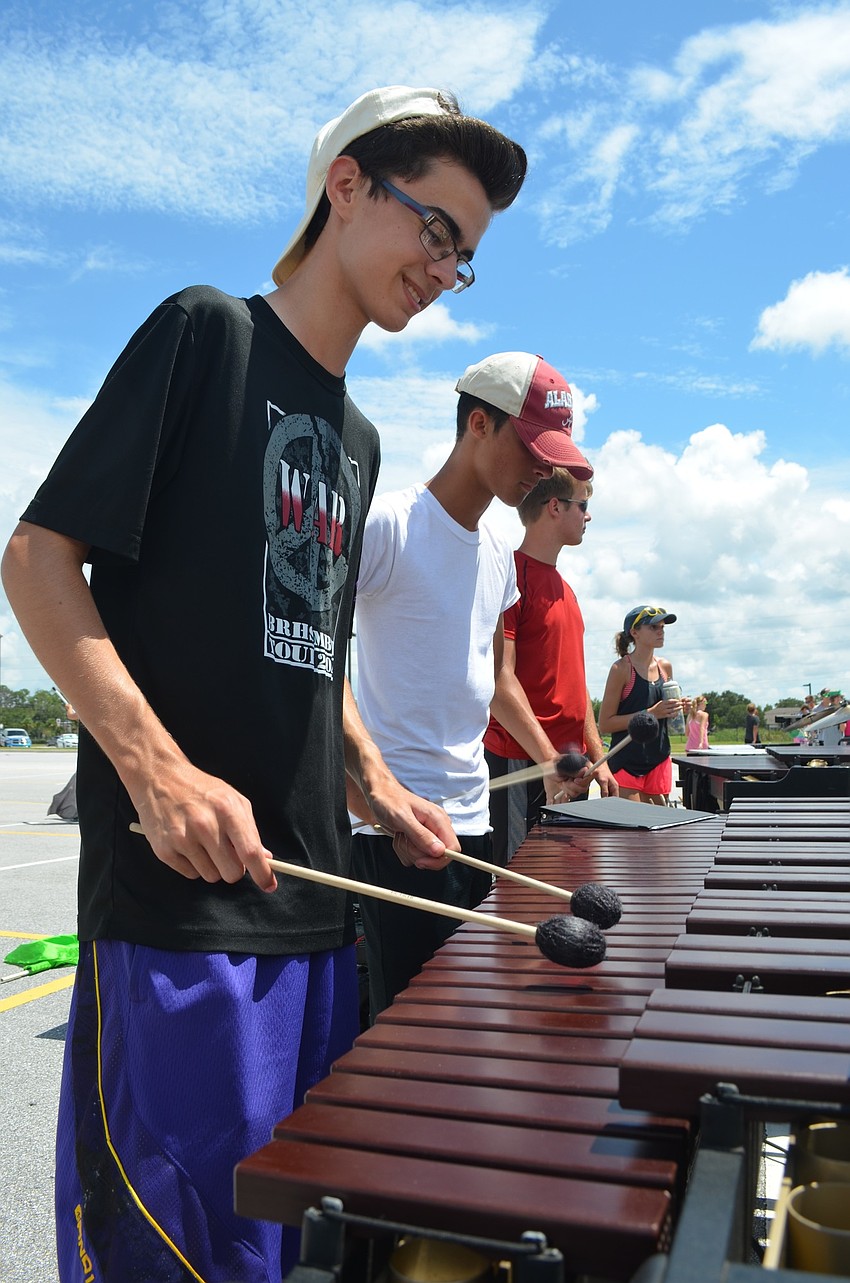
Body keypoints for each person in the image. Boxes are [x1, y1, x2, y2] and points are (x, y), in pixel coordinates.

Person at [1, 86, 527, 1283]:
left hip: (315, 905)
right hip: (180, 908)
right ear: (346, 185)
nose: (443, 268)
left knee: (279, 1255)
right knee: (171, 1253)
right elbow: (37, 558)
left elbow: (312, 647)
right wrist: (158, 771)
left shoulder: (360, 440)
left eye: (464, 255)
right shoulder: (206, 335)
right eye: (434, 227)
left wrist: (376, 784)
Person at [350, 352, 592, 1018]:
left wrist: (549, 761)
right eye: (533, 450)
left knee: (473, 1018)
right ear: (479, 424)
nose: (544, 471)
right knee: (408, 1030)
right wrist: (370, 796)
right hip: (396, 830)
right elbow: (321, 663)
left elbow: (497, 679)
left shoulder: (496, 557)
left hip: (474, 820)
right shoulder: (386, 525)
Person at [484, 467, 617, 866]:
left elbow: (576, 685)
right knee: (518, 885)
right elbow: (498, 680)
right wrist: (547, 759)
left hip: (573, 766)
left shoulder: (568, 591)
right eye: (583, 505)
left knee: (568, 880)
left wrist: (598, 756)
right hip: (522, 761)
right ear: (555, 507)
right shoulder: (509, 578)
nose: (588, 515)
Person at [598, 606, 683, 805]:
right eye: (653, 627)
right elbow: (605, 724)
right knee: (632, 823)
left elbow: (665, 713)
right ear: (634, 632)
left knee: (660, 823)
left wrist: (678, 709)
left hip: (659, 758)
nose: (661, 631)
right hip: (627, 761)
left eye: (662, 627)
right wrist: (650, 714)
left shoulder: (665, 667)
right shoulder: (621, 669)